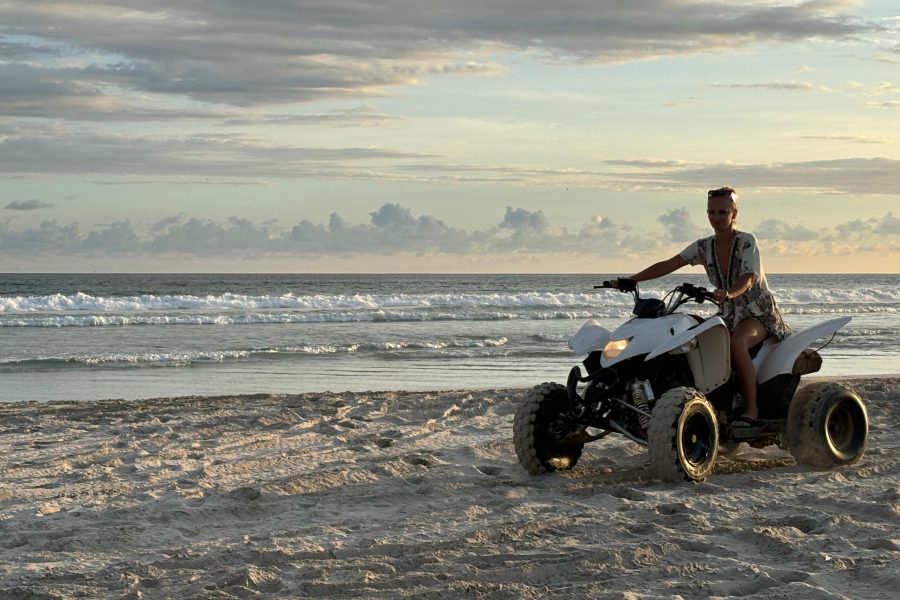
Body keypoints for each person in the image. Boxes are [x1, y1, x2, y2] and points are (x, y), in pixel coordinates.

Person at [614, 186, 790, 431]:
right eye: (712, 212)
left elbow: (748, 278)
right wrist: (632, 280)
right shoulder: (704, 246)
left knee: (736, 344)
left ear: (734, 213)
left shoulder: (747, 241)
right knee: (695, 338)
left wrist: (729, 293)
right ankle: (716, 402)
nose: (717, 218)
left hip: (756, 312)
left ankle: (752, 409)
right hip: (729, 313)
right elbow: (669, 264)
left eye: (723, 212)